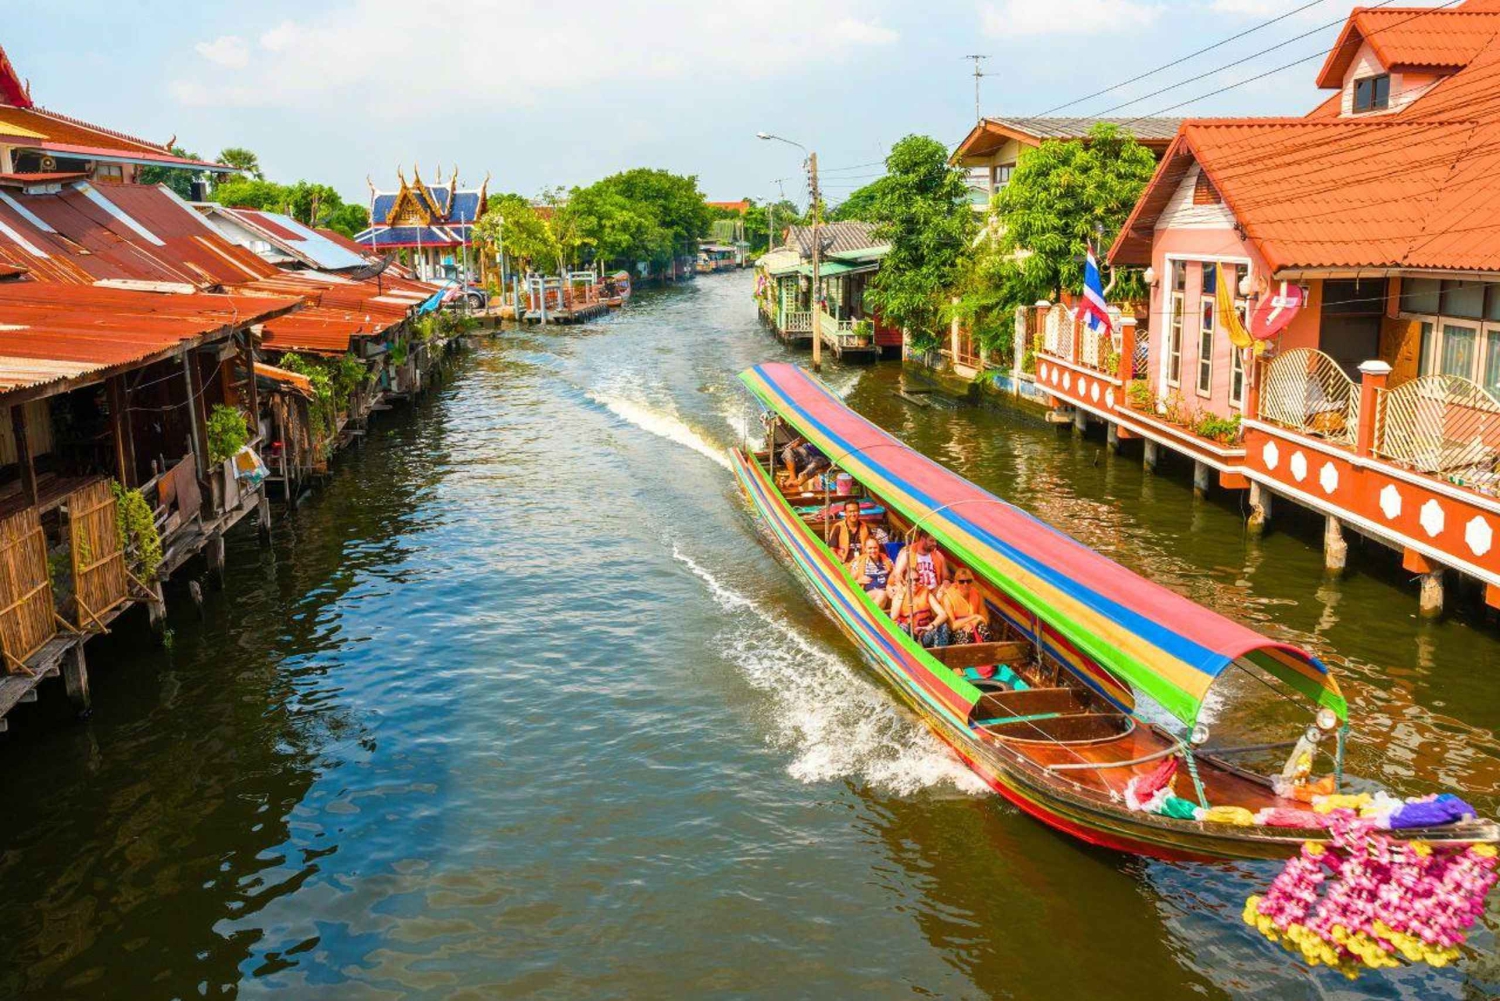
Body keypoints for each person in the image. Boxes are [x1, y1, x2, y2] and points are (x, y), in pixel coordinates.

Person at [889, 574, 950, 648]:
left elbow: (943, 614)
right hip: (909, 635)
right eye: (910, 581)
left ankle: (938, 655)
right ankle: (908, 655)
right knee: (901, 627)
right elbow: (893, 616)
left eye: (917, 580)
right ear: (905, 582)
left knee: (943, 626)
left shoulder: (926, 593)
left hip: (924, 634)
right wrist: (901, 595)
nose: (914, 583)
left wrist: (931, 626)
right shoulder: (899, 595)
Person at [941, 569, 991, 644]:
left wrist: (975, 622)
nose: (965, 584)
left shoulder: (977, 594)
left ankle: (985, 652)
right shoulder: (948, 598)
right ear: (956, 582)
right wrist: (975, 617)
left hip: (974, 625)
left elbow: (985, 618)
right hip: (956, 632)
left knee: (984, 630)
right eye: (961, 581)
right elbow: (953, 626)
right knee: (965, 635)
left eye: (968, 581)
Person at [849, 536, 895, 609]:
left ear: (879, 548)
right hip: (867, 595)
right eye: (870, 548)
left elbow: (895, 577)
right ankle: (868, 616)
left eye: (875, 547)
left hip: (886, 592)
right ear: (865, 549)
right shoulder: (859, 562)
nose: (873, 550)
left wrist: (891, 586)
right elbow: (848, 584)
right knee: (881, 594)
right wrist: (858, 581)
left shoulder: (887, 561)